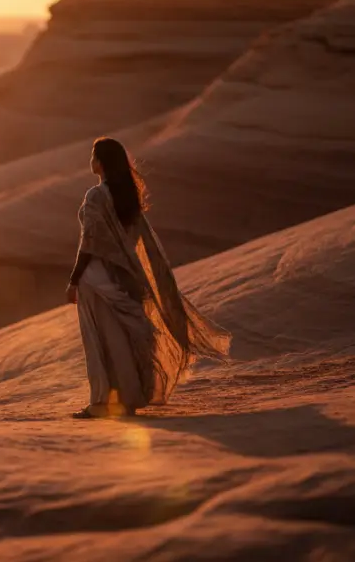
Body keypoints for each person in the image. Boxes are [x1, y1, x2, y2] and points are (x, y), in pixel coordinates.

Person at [66, 137, 231, 419]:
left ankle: (102, 403)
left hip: (98, 276)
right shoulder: (127, 196)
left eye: (93, 155)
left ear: (101, 162)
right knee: (122, 337)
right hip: (125, 275)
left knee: (101, 339)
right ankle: (125, 400)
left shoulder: (96, 196)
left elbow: (90, 243)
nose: (90, 160)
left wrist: (74, 279)